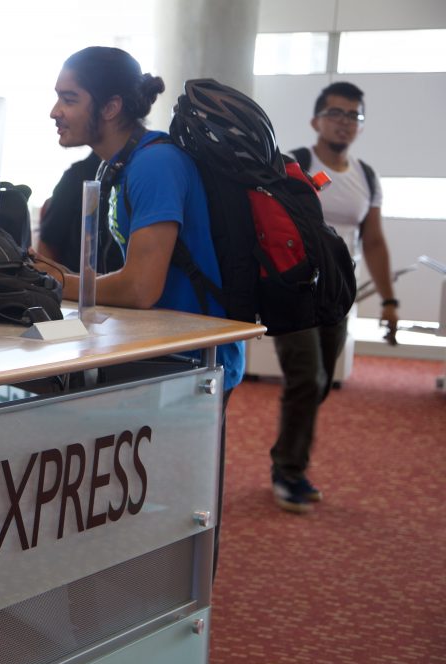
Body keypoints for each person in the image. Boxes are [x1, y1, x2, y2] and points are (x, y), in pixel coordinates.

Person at [38, 47, 244, 574]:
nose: (55, 111)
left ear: (109, 108)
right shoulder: (121, 163)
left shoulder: (154, 163)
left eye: (68, 98)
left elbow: (141, 287)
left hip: (192, 364)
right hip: (163, 358)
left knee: (173, 518)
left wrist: (56, 285)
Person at [269, 81, 398, 513]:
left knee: (318, 384)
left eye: (353, 116)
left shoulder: (366, 178)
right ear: (316, 120)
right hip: (295, 289)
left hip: (336, 293)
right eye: (336, 113)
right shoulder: (297, 165)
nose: (345, 122)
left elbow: (375, 243)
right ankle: (289, 470)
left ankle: (288, 455)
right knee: (307, 377)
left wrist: (389, 300)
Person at [37, 151, 124, 275]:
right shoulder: (76, 175)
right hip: (78, 285)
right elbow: (47, 243)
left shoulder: (133, 171)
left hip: (120, 284)